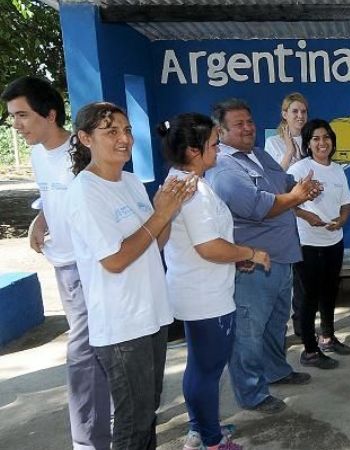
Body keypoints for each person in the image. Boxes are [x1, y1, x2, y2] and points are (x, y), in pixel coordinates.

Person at [65, 102, 196, 449]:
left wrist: (167, 211)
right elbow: (115, 260)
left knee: (147, 412)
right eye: (111, 131)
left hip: (151, 314)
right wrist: (160, 215)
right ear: (85, 139)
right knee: (132, 421)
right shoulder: (84, 191)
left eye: (126, 130)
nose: (124, 138)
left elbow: (155, 243)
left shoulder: (131, 180)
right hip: (122, 324)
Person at [2, 77, 113, 450]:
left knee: (82, 352)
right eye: (12, 117)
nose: (15, 125)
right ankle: (117, 411)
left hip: (94, 266)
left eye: (22, 115)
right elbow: (50, 195)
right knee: (96, 348)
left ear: (50, 115)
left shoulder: (83, 153)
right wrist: (41, 218)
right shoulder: (37, 154)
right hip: (64, 266)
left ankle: (88, 439)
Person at [160, 113, 271, 450]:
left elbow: (205, 242)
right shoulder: (193, 191)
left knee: (201, 366)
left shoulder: (186, 181)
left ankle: (202, 427)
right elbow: (208, 246)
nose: (218, 149)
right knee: (207, 370)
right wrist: (250, 253)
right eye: (212, 144)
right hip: (205, 296)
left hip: (198, 288)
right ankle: (211, 439)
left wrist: (236, 258)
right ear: (194, 151)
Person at [205, 98, 322, 412]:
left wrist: (302, 187)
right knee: (248, 331)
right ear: (221, 130)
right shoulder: (222, 166)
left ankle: (276, 370)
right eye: (239, 124)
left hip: (281, 257)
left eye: (250, 121)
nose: (248, 128)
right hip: (251, 263)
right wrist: (294, 196)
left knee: (275, 322)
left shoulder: (257, 154)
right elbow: (256, 206)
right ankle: (252, 394)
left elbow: (283, 182)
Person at [287, 119, 350, 369]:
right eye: (315, 138)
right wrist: (308, 216)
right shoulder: (298, 170)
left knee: (329, 292)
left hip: (334, 241)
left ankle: (328, 337)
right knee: (309, 297)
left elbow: (347, 203)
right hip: (307, 243)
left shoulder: (338, 170)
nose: (322, 142)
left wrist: (342, 219)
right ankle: (310, 351)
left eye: (326, 137)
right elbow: (287, 203)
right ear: (307, 143)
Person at [262, 93, 309, 337]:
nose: (299, 116)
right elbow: (273, 179)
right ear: (284, 114)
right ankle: (282, 328)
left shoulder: (311, 138)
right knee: (287, 273)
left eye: (303, 111)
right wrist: (290, 150)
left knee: (304, 273)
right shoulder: (273, 142)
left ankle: (303, 323)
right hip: (285, 212)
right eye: (294, 111)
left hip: (308, 212)